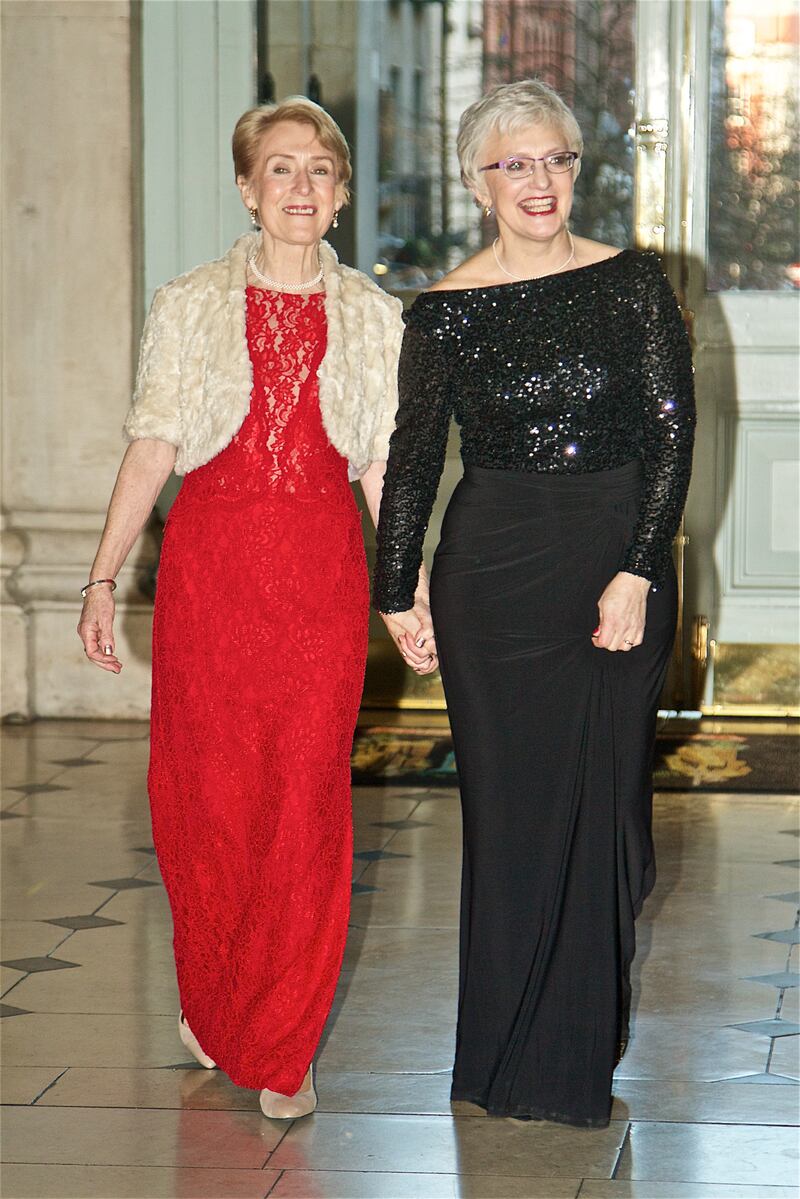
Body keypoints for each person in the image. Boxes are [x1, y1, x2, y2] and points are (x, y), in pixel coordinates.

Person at [77, 96, 433, 1119]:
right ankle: (216, 999)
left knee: (304, 804)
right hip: (211, 574)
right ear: (246, 186)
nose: (301, 187)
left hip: (320, 581)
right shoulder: (187, 301)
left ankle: (283, 1039)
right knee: (207, 803)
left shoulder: (372, 313)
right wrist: (102, 575)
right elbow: (152, 444)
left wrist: (400, 595)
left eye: (319, 170)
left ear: (341, 192)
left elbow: (376, 467)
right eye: (280, 169)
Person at [373, 79, 695, 1128]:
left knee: (609, 824)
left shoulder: (633, 283)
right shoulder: (447, 310)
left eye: (554, 158)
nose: (537, 180)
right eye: (513, 163)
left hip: (613, 561)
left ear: (575, 169)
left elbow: (668, 433)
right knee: (508, 822)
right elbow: (413, 457)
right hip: (492, 576)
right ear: (477, 181)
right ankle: (508, 1056)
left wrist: (638, 566)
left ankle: (571, 1045)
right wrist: (394, 589)